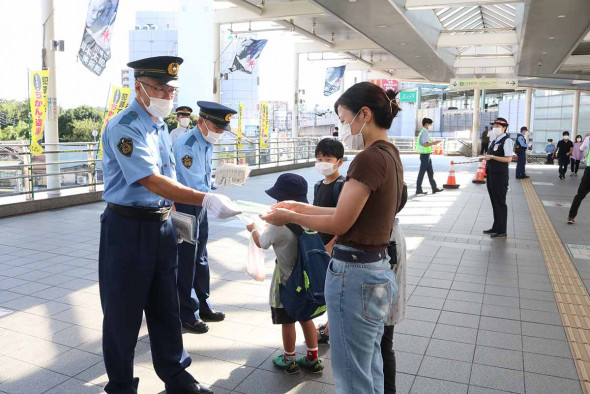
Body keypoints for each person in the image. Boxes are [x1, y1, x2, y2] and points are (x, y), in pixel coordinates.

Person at [100, 55, 241, 394]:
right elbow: (150, 179)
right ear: (139, 86)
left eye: (170, 89)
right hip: (127, 228)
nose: (166, 95)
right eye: (158, 88)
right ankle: (120, 384)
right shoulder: (126, 125)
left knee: (166, 304)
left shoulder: (158, 126)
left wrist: (178, 220)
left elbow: (170, 176)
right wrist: (204, 198)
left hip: (162, 225)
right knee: (123, 313)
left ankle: (177, 376)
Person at [261, 82, 403, 394]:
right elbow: (346, 211)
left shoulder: (367, 159)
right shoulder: (390, 154)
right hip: (377, 271)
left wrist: (290, 217)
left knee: (352, 376)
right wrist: (300, 206)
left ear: (364, 114)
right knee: (369, 369)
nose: (342, 127)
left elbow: (340, 220)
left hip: (355, 276)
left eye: (343, 118)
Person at [246, 174, 324, 374]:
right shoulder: (308, 218)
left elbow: (261, 242)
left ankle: (289, 358)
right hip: (307, 280)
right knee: (306, 317)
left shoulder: (277, 224)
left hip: (287, 281)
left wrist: (253, 229)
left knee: (287, 320)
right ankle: (313, 357)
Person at [173, 101, 235, 333]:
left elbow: (203, 179)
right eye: (217, 129)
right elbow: (191, 183)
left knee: (201, 257)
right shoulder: (187, 144)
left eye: (222, 130)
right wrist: (210, 193)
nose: (219, 134)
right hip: (186, 204)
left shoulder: (206, 141)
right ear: (201, 122)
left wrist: (217, 184)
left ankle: (204, 305)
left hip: (200, 205)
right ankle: (186, 313)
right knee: (186, 260)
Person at [312, 138, 346, 344]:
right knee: (326, 289)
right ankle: (328, 324)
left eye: (327, 158)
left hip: (333, 247)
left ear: (339, 161)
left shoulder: (342, 186)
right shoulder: (318, 185)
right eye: (319, 158)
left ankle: (330, 330)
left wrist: (332, 244)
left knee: (334, 291)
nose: (322, 162)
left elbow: (345, 221)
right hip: (320, 245)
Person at [482, 117, 513, 239]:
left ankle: (502, 230)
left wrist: (492, 157)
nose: (495, 128)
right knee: (494, 202)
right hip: (491, 175)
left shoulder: (507, 141)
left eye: (497, 126)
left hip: (500, 176)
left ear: (504, 127)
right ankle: (496, 226)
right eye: (494, 126)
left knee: (500, 202)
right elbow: (491, 155)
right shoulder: (494, 141)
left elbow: (508, 159)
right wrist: (487, 157)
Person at [416, 118, 443, 195]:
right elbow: (425, 144)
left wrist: (433, 143)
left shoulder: (424, 131)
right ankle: (418, 189)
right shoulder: (424, 132)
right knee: (422, 172)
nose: (430, 126)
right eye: (430, 124)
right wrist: (434, 143)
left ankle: (434, 188)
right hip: (425, 156)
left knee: (430, 172)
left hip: (427, 155)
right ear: (426, 124)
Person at [568, 133, 590, 224]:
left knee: (580, 195)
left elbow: (581, 148)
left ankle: (571, 217)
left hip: (589, 172)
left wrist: (586, 138)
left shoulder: (588, 138)